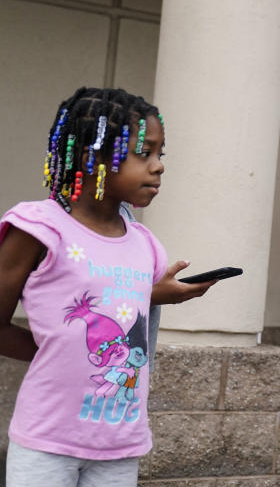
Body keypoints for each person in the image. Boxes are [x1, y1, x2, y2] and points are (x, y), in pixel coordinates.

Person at [0, 87, 216, 487]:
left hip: (119, 443)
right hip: (48, 440)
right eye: (143, 153)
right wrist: (57, 353)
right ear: (91, 156)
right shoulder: (38, 229)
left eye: (160, 155)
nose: (158, 167)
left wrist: (159, 294)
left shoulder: (144, 243)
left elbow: (124, 309)